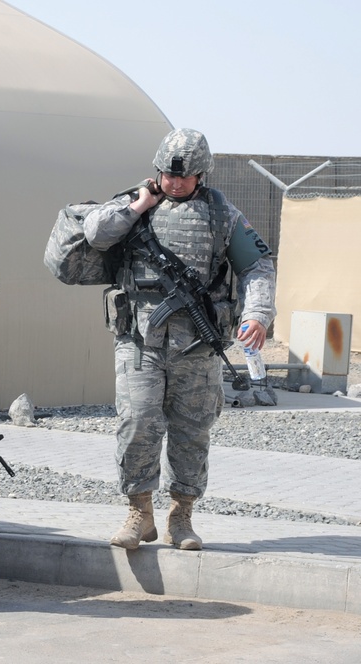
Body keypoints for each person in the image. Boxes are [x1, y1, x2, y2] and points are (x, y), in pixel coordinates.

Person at [83, 128, 276, 551]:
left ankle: (181, 516)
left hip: (198, 347)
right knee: (136, 424)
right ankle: (139, 512)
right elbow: (96, 234)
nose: (175, 184)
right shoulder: (136, 203)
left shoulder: (221, 214)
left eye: (184, 178)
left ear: (201, 175)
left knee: (192, 432)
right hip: (140, 342)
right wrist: (139, 205)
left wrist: (258, 313)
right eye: (168, 176)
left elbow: (258, 265)